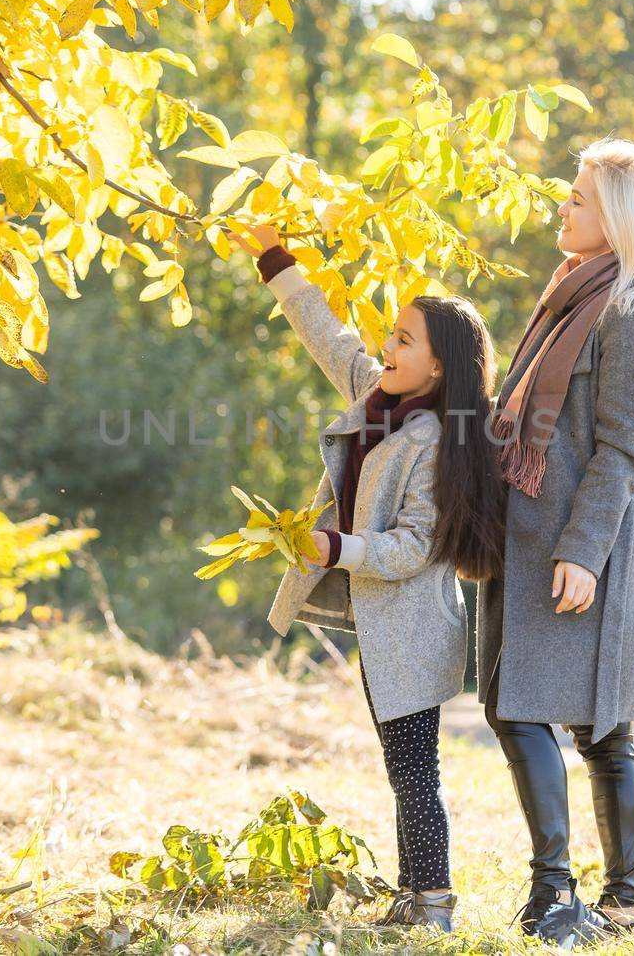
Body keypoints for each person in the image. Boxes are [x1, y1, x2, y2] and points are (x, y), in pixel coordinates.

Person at [232, 222, 506, 933]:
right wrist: (274, 262)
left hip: (413, 626)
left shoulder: (436, 441)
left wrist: (338, 547)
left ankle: (435, 900)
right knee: (402, 763)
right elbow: (328, 335)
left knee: (415, 768)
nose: (387, 347)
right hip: (384, 625)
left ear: (440, 367)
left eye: (405, 340)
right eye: (391, 335)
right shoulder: (375, 399)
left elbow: (413, 547)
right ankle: (415, 895)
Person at [478, 139, 634, 946]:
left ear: (618, 218)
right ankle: (572, 896)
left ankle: (602, 901)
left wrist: (583, 549)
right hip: (529, 534)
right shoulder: (567, 299)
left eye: (578, 198)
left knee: (601, 725)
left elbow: (624, 447)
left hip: (590, 545)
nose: (563, 207)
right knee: (515, 704)